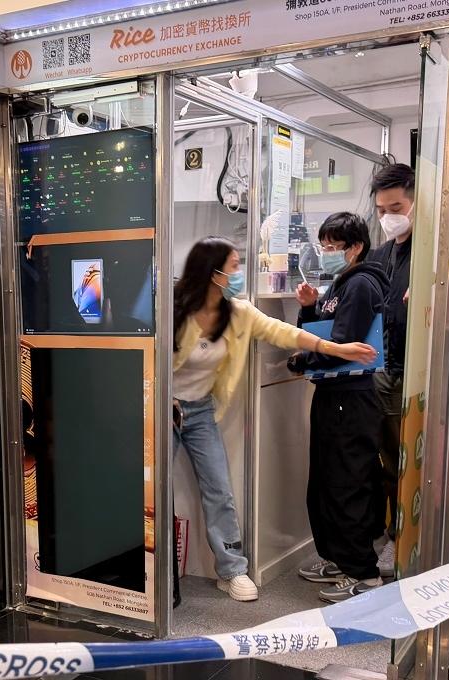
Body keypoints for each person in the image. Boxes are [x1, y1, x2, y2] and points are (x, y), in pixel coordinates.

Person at [173, 236, 376, 602]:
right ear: (213, 273)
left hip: (200, 411)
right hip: (161, 408)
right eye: (234, 266)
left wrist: (337, 348)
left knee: (219, 490)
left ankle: (232, 570)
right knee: (149, 489)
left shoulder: (238, 312)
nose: (239, 274)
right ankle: (146, 570)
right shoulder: (172, 309)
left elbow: (285, 333)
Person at [288, 212, 389, 603]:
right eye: (324, 245)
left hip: (351, 395)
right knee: (327, 482)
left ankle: (362, 572)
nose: (327, 252)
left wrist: (302, 361)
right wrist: (310, 308)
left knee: (348, 482)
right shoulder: (341, 283)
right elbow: (324, 334)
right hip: (333, 394)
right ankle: (339, 558)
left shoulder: (361, 284)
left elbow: (342, 346)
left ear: (356, 247)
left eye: (334, 246)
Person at [368, 163, 415, 576]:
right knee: (384, 463)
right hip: (381, 372)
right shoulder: (380, 256)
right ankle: (389, 536)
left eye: (396, 208)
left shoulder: (434, 253)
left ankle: (406, 538)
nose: (388, 217)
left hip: (416, 376)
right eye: (381, 210)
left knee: (410, 466)